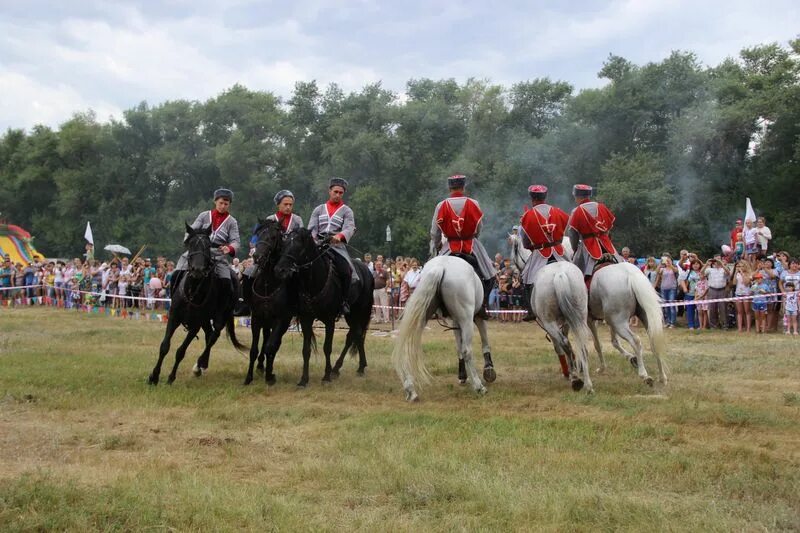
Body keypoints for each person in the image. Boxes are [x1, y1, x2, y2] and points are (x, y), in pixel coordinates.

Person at [431, 174, 497, 318]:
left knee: (431, 275)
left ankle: (437, 306)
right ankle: (482, 305)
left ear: (449, 187)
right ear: (463, 186)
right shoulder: (474, 203)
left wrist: (437, 246)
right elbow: (479, 226)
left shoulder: (441, 205)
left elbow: (435, 232)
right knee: (490, 275)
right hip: (471, 243)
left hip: (449, 244)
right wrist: (474, 237)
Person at [174, 188, 241, 306]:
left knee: (227, 281)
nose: (223, 206)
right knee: (176, 273)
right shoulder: (204, 215)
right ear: (215, 201)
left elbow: (235, 241)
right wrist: (189, 241)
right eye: (221, 203)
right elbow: (191, 230)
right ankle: (174, 301)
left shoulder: (232, 222)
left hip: (218, 254)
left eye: (226, 204)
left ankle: (224, 308)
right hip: (198, 252)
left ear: (229, 204)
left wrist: (229, 248)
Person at [518, 184, 570, 321]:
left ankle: (530, 310)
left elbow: (525, 242)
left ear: (531, 198)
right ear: (545, 197)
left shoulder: (527, 216)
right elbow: (564, 228)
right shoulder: (558, 211)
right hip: (559, 251)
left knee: (525, 279)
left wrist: (531, 246)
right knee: (576, 273)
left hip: (540, 252)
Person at [308, 177, 359, 315]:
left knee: (346, 270)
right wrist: (313, 238)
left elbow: (349, 227)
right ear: (329, 191)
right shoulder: (318, 209)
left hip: (336, 246)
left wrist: (340, 236)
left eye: (341, 193)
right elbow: (312, 228)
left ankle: (343, 301)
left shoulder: (347, 211)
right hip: (317, 244)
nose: (338, 195)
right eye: (335, 191)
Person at [566, 184, 623, 288]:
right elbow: (609, 227)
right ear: (589, 195)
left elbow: (572, 233)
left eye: (575, 197)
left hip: (588, 246)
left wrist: (575, 249)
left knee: (574, 275)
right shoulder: (601, 207)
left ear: (577, 196)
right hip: (606, 243)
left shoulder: (576, 210)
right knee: (621, 263)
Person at [655, 254, 679, 328]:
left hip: (672, 288)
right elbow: (657, 272)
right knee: (666, 306)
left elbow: (675, 271)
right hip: (663, 288)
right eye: (666, 260)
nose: (667, 261)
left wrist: (670, 264)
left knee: (671, 305)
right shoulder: (663, 269)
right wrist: (660, 263)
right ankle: (668, 321)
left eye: (669, 259)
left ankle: (673, 322)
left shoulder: (674, 267)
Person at [704, 257, 729, 329]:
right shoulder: (709, 269)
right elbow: (702, 273)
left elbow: (728, 273)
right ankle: (713, 325)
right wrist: (706, 264)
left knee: (723, 308)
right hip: (712, 289)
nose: (717, 261)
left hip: (722, 290)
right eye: (715, 260)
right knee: (712, 308)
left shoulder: (723, 269)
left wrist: (722, 264)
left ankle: (725, 325)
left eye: (718, 260)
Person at [680, 258, 702, 331]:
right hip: (689, 294)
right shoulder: (688, 272)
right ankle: (691, 325)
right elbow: (681, 280)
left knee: (699, 310)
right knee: (690, 310)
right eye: (694, 264)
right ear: (691, 265)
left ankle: (699, 325)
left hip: (700, 295)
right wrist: (684, 288)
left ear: (700, 265)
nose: (695, 265)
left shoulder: (702, 272)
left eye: (697, 264)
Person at [732, 260, 753, 333]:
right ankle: (740, 328)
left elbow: (746, 283)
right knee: (739, 312)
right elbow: (734, 283)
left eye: (741, 266)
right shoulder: (737, 274)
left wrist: (742, 273)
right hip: (738, 293)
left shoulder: (749, 274)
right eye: (738, 266)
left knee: (747, 311)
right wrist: (735, 272)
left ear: (745, 266)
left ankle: (748, 328)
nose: (739, 267)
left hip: (746, 293)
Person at [372, 259, 390, 323]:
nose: (378, 266)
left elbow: (388, 280)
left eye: (379, 264)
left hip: (382, 289)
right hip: (375, 290)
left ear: (381, 265)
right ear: (375, 265)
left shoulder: (384, 272)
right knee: (377, 305)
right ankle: (378, 319)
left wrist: (386, 287)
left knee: (384, 304)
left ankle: (386, 319)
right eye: (377, 264)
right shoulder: (373, 272)